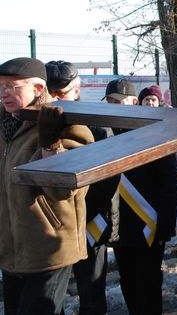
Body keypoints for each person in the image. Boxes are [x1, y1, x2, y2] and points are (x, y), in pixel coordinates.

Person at [0, 57, 94, 315]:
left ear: (38, 89)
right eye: (0, 87)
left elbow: (63, 189)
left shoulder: (67, 124)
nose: (4, 93)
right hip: (10, 252)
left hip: (50, 248)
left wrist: (50, 145)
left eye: (13, 86)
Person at [45, 60, 118, 315]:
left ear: (77, 89)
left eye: (61, 93)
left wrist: (79, 215)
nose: (54, 99)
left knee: (91, 294)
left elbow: (108, 178)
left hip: (89, 222)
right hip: (51, 228)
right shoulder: (34, 124)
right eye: (49, 92)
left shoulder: (96, 126)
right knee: (50, 298)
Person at [103, 78, 177, 315]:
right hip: (120, 224)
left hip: (149, 224)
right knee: (128, 281)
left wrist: (167, 223)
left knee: (148, 284)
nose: (114, 106)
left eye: (120, 101)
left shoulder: (154, 132)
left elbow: (168, 182)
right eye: (110, 102)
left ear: (134, 102)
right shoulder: (102, 135)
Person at [138, 85, 177, 184]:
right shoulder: (132, 119)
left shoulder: (167, 120)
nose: (150, 103)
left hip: (163, 166)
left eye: (153, 99)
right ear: (141, 102)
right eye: (147, 99)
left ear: (159, 102)